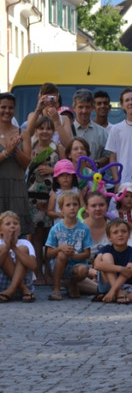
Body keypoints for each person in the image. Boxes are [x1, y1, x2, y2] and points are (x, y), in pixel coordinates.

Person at [25, 115, 61, 282]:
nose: (45, 131)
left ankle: (49, 272)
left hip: (52, 196)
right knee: (37, 237)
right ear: (36, 130)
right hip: (33, 198)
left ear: (53, 131)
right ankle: (38, 271)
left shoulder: (57, 148)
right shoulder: (30, 147)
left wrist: (52, 170)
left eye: (48, 128)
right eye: (41, 128)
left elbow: (66, 169)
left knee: (50, 237)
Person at [93, 218, 132, 304]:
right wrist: (120, 269)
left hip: (125, 286)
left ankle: (113, 296)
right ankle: (118, 294)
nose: (120, 235)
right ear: (109, 238)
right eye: (115, 232)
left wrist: (114, 291)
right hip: (106, 284)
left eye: (124, 231)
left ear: (129, 235)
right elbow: (97, 265)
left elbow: (128, 272)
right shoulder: (105, 249)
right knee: (107, 256)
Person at [45, 190, 93, 300]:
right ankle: (56, 287)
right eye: (68, 205)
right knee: (62, 254)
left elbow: (87, 254)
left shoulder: (84, 229)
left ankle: (72, 284)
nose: (72, 208)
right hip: (58, 265)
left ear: (79, 207)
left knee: (83, 270)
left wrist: (73, 255)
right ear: (61, 209)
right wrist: (60, 248)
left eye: (75, 204)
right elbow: (48, 254)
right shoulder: (55, 229)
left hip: (77, 265)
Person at [0, 92, 31, 234]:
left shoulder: (23, 133)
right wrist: (7, 151)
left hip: (16, 188)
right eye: (3, 107)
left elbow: (26, 163)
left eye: (10, 108)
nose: (7, 111)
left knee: (17, 230)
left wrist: (15, 149)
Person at [0, 210, 37, 302]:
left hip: (24, 281)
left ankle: (12, 289)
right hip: (4, 287)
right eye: (8, 224)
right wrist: (7, 247)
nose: (12, 226)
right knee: (3, 249)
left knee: (23, 249)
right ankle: (22, 288)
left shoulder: (25, 243)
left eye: (15, 223)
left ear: (19, 228)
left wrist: (14, 247)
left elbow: (33, 266)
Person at [26, 83, 73, 148]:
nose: (50, 100)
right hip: (38, 153)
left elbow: (68, 145)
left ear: (57, 98)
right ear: (40, 97)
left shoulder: (64, 119)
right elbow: (28, 135)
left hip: (59, 154)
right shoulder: (33, 116)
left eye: (52, 97)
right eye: (47, 97)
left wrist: (57, 122)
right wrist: (38, 110)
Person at [72, 88, 109, 167]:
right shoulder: (67, 130)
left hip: (94, 174)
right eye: (80, 107)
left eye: (87, 107)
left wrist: (96, 163)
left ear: (92, 108)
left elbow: (107, 156)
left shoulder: (102, 132)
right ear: (74, 107)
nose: (84, 111)